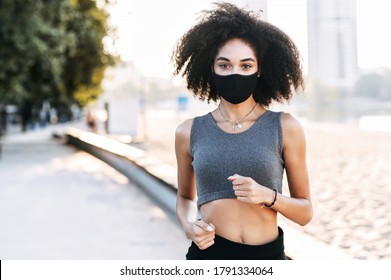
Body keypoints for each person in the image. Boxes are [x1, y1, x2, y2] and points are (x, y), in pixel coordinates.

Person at [171, 2, 313, 260]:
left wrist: (269, 196)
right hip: (207, 258)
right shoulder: (188, 131)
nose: (235, 72)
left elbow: (305, 213)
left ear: (260, 70)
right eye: (224, 65)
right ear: (210, 69)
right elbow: (184, 197)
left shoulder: (286, 127)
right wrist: (189, 226)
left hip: (267, 259)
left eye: (246, 66)